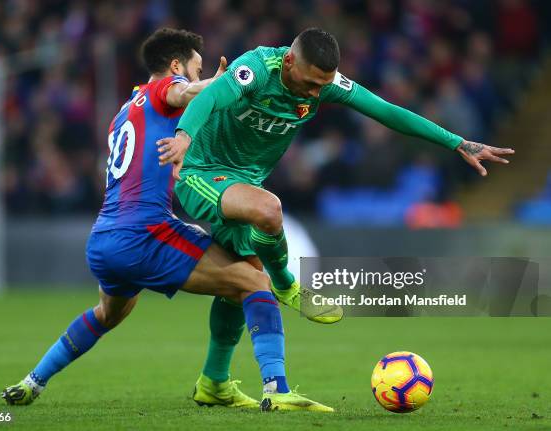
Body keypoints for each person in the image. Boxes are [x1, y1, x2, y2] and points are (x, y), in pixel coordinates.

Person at [157, 27, 514, 409]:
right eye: (311, 83)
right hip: (199, 169)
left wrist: (457, 142)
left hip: (243, 180)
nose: (315, 94)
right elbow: (211, 96)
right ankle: (286, 283)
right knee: (268, 211)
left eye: (322, 86)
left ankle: (215, 382)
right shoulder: (258, 68)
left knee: (243, 278)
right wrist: (183, 136)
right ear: (291, 62)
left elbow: (387, 112)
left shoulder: (326, 84)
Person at [1, 28, 333, 413]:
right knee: (254, 279)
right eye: (196, 66)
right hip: (146, 234)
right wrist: (220, 83)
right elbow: (186, 93)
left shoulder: (124, 111)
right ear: (176, 65)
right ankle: (276, 387)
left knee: (107, 314)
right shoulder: (164, 89)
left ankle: (32, 382)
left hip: (105, 238)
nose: (196, 74)